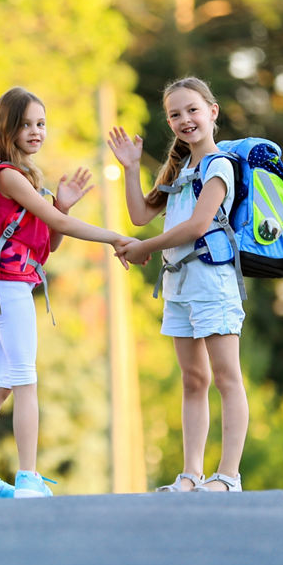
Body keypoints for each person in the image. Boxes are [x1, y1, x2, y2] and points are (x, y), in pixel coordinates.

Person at [0, 86, 131, 501]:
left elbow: (49, 243)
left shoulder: (20, 179)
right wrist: (116, 238)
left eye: (41, 124)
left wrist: (64, 205)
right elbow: (60, 226)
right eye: (27, 124)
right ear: (8, 128)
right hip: (8, 290)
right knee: (25, 383)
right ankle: (28, 478)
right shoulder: (9, 176)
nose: (36, 132)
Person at [107, 76, 247, 493]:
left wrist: (143, 247)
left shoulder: (219, 165)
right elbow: (138, 215)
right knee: (192, 380)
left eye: (192, 110)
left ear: (212, 112)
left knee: (226, 378)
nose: (185, 119)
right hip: (179, 286)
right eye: (175, 114)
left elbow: (198, 225)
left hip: (212, 283)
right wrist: (131, 167)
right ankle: (191, 474)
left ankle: (228, 476)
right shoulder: (182, 168)